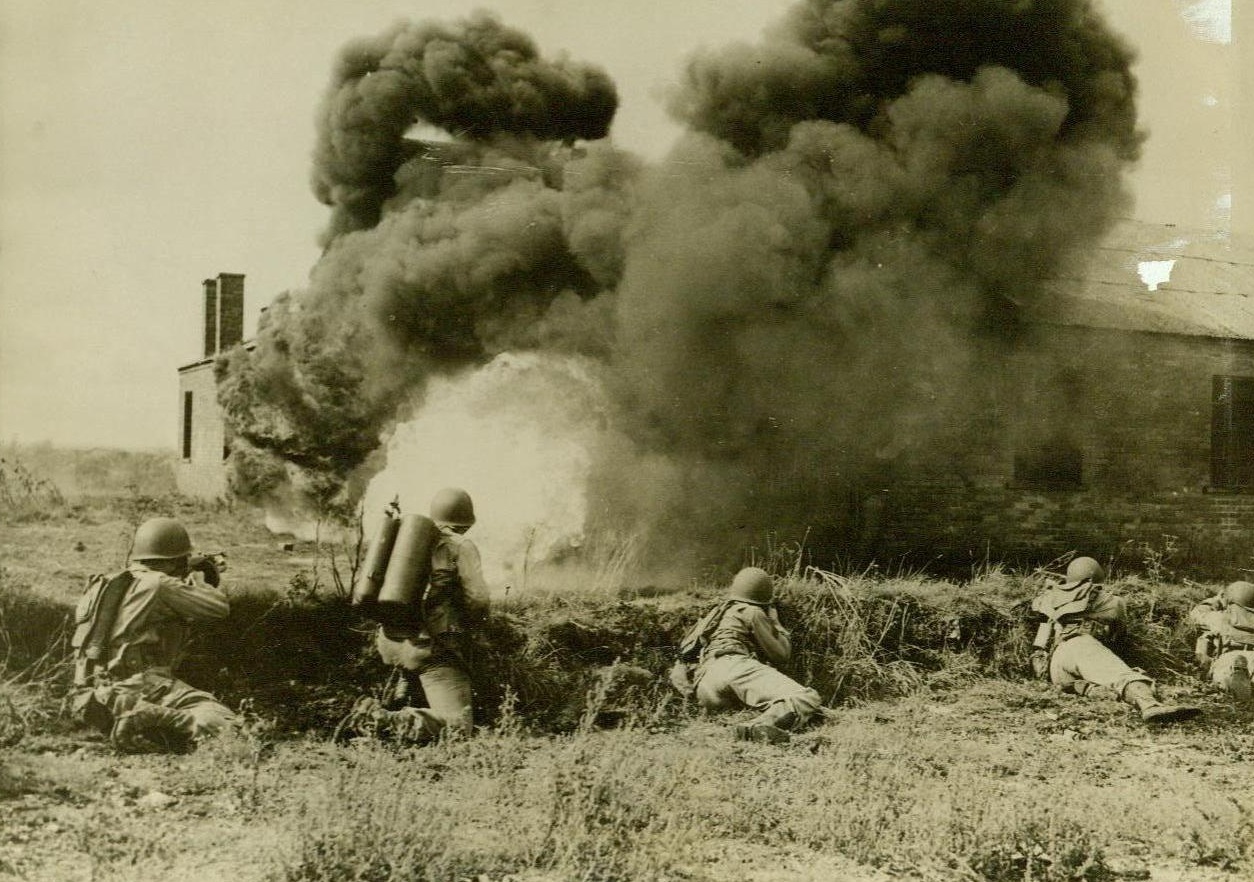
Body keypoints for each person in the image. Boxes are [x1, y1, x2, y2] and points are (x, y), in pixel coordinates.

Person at [70, 517, 235, 752]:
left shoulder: (107, 582)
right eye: (183, 559)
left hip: (91, 695)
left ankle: (141, 722)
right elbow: (218, 608)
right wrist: (199, 578)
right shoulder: (160, 584)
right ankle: (145, 714)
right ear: (175, 561)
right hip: (136, 686)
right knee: (229, 727)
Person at [339, 487, 490, 744]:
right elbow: (477, 598)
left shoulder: (406, 542)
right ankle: (376, 719)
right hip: (432, 647)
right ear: (465, 521)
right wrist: (478, 625)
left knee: (412, 686)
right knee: (458, 726)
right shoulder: (460, 546)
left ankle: (395, 708)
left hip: (392, 642)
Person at [1029, 556, 1199, 725]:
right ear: (1097, 577)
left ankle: (1087, 689)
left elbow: (1039, 643)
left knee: (1099, 682)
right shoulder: (1111, 601)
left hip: (1056, 667)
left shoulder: (1049, 597)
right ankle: (1149, 705)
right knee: (1121, 674)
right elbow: (1119, 636)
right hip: (1082, 648)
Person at [674, 566, 821, 744]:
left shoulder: (716, 613)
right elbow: (782, 655)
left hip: (706, 684)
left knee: (768, 701)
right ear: (764, 596)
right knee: (805, 696)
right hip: (735, 667)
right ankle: (758, 726)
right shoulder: (752, 611)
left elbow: (685, 651)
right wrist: (775, 622)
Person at [1188, 580, 1254, 704]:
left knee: (1224, 673)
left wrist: (1218, 600)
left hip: (1230, 656)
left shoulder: (1219, 617)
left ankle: (1236, 676)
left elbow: (1197, 614)